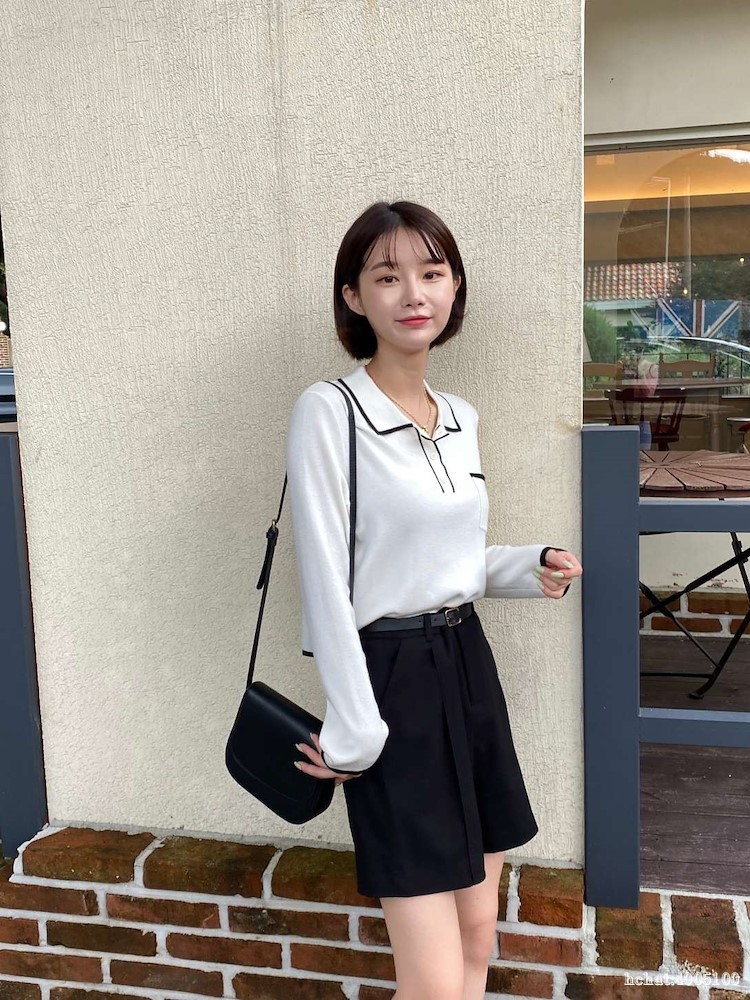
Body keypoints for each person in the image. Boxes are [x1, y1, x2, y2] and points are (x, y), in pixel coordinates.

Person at [285, 201, 583, 1000]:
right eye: (388, 276)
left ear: (454, 288)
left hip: (467, 663)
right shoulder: (330, 411)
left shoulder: (460, 417)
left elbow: (447, 561)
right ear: (354, 296)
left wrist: (528, 567)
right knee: (432, 974)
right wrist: (355, 726)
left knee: (478, 933)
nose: (414, 293)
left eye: (432, 271)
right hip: (391, 683)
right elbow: (325, 578)